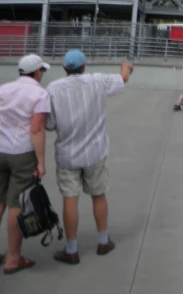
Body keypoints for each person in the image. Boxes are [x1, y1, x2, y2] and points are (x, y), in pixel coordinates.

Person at [45, 50, 133, 265]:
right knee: (99, 196)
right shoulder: (97, 81)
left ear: (66, 68)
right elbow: (122, 79)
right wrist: (126, 65)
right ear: (84, 66)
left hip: (67, 155)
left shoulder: (53, 89)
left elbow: (49, 124)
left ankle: (72, 249)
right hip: (95, 152)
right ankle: (103, 241)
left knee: (70, 199)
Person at [0, 54, 51, 275]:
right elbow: (37, 129)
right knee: (16, 204)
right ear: (37, 72)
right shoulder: (40, 94)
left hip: (0, 148)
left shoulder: (3, 89)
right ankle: (13, 258)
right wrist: (40, 162)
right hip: (22, 152)